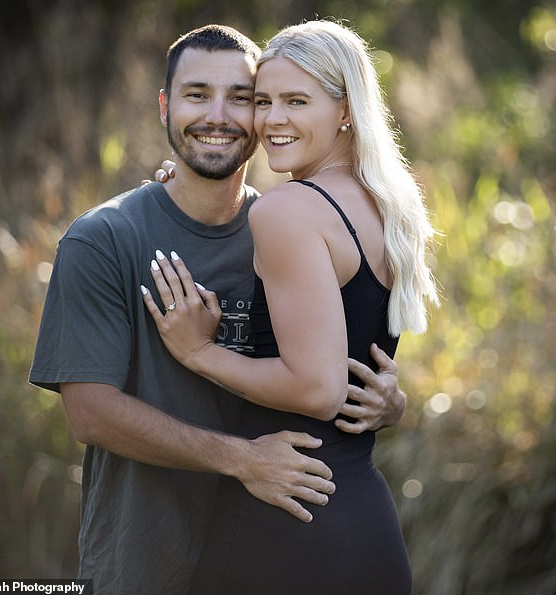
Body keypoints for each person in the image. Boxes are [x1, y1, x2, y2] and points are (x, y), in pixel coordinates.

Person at [29, 24, 406, 595]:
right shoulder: (103, 239)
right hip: (146, 561)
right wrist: (241, 459)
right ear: (165, 106)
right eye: (197, 94)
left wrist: (392, 400)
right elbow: (91, 413)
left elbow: (337, 359)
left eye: (243, 98)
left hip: (276, 545)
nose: (219, 115)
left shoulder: (289, 226)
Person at [141, 20, 438, 595]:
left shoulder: (289, 211)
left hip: (286, 529)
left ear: (345, 109)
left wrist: (199, 352)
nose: (272, 119)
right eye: (264, 100)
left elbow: (317, 390)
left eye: (296, 101)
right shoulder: (385, 202)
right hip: (363, 525)